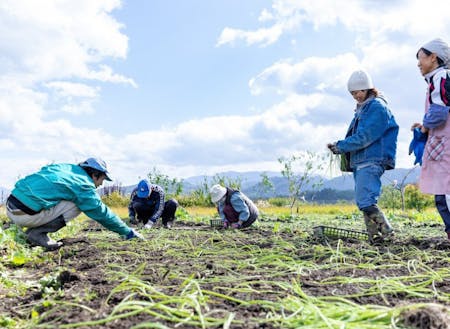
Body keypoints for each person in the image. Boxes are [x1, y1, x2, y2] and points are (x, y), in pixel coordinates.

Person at [5, 157, 143, 251]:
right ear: (95, 175)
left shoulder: (64, 168)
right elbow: (102, 213)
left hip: (11, 206)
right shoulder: (83, 184)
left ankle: (24, 228)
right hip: (25, 214)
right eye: (102, 179)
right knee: (78, 204)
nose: (101, 184)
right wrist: (127, 232)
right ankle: (37, 234)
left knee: (65, 196)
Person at [327, 69, 399, 244]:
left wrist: (341, 146)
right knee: (365, 201)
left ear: (367, 88)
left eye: (358, 91)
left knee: (365, 201)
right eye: (352, 93)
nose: (355, 96)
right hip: (363, 160)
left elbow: (365, 136)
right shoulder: (364, 109)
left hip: (372, 159)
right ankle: (375, 239)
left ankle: (387, 235)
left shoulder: (376, 107)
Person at [412, 38, 450, 239]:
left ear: (433, 57)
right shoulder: (439, 79)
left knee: (444, 193)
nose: (418, 64)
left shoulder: (440, 77)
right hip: (442, 142)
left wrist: (426, 126)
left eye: (421, 58)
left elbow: (439, 112)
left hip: (445, 145)